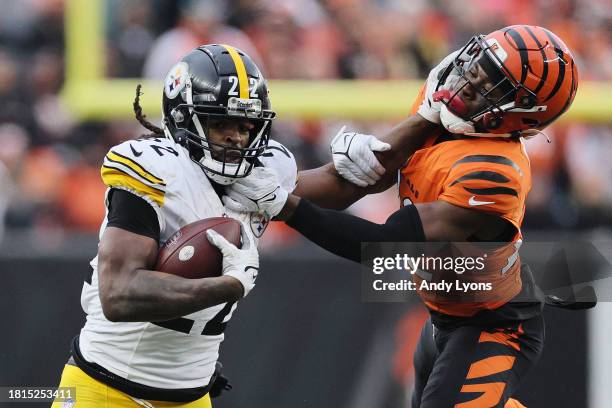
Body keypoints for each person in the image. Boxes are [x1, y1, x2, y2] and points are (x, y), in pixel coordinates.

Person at [223, 25, 578, 407]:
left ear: (523, 116)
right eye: (479, 64)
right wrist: (240, 187)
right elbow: (356, 179)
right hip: (446, 312)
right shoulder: (441, 108)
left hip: (494, 324)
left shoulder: (493, 170)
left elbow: (382, 246)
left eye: (495, 83)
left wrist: (283, 204)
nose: (472, 79)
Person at [52, 44, 296, 408]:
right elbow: (118, 293)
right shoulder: (157, 171)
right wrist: (227, 286)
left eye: (245, 126)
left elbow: (325, 193)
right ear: (184, 119)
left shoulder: (260, 178)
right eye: (221, 124)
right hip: (107, 390)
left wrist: (385, 150)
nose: (236, 138)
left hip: (191, 397)